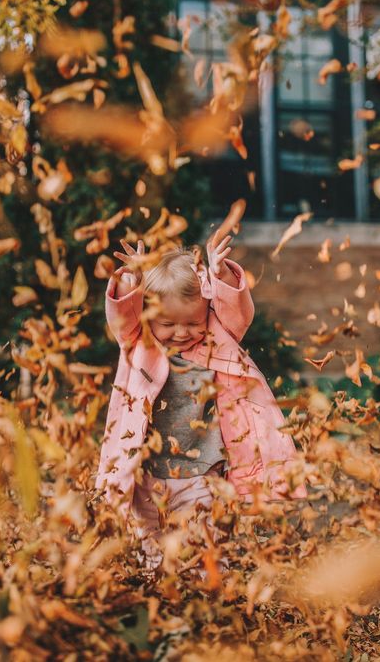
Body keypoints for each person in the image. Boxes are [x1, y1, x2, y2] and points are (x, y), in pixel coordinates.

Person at [95, 231, 307, 567]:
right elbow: (123, 317)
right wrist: (130, 285)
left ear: (207, 314)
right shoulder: (139, 343)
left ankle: (209, 599)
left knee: (201, 546)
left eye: (192, 322)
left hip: (200, 474)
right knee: (150, 547)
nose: (181, 333)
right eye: (167, 323)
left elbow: (236, 313)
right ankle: (162, 603)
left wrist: (221, 276)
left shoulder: (216, 342)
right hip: (146, 475)